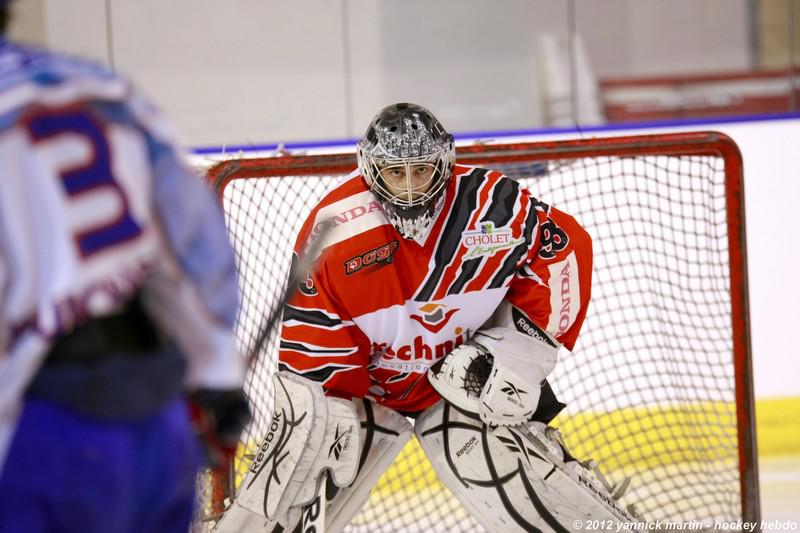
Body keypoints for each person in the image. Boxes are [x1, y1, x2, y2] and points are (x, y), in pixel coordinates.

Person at [213, 103, 638, 532]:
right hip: (370, 392)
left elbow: (562, 251)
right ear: (371, 169)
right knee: (294, 470)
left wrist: (519, 353)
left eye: (422, 170)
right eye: (396, 173)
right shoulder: (337, 235)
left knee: (509, 479)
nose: (411, 189)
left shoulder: (493, 207)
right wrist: (322, 415)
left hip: (460, 380)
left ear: (444, 163)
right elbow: (315, 341)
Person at [0, 2, 249, 532]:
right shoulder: (101, 88)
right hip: (153, 426)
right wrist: (216, 377)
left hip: (34, 438)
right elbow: (195, 249)